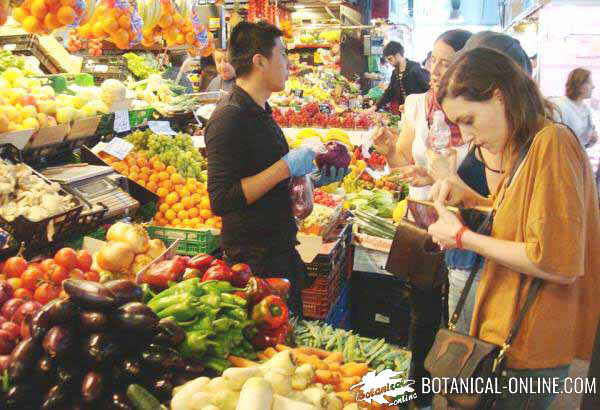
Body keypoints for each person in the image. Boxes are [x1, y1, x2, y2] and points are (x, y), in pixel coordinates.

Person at [429, 47, 600, 410]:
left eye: (469, 119)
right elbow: (522, 221)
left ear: (499, 95)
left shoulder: (551, 143)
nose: (467, 135)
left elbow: (555, 261)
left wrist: (463, 238)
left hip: (529, 344)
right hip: (513, 336)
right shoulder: (530, 146)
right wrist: (470, 200)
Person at [204, 22, 346, 317]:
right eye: (283, 54)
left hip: (278, 250)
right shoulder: (228, 117)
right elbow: (222, 198)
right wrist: (284, 167)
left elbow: (267, 179)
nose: (289, 64)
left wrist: (310, 182)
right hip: (253, 264)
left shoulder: (261, 111)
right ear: (259, 61)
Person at [375, 29, 472, 410]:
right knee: (423, 314)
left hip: (465, 229)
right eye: (433, 59)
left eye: (447, 62)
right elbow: (404, 164)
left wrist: (440, 178)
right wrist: (387, 153)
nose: (435, 69)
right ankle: (418, 395)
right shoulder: (416, 104)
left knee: (460, 318)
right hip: (422, 224)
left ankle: (456, 394)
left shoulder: (476, 113)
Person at [373, 41, 430, 114]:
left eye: (390, 59)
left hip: (419, 113)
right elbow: (389, 92)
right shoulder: (395, 73)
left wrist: (414, 104)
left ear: (397, 55)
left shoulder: (415, 69)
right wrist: (376, 107)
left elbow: (429, 92)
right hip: (405, 112)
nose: (390, 63)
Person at [551, 68, 598, 148]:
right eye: (590, 82)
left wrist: (591, 140)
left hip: (577, 157)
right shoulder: (559, 106)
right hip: (561, 156)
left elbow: (584, 142)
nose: (593, 86)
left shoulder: (586, 110)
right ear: (580, 85)